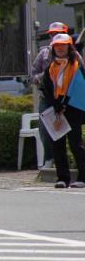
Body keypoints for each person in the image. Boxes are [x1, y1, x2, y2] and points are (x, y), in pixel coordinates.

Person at [40, 33, 85, 189]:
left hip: (74, 109)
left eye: (63, 45)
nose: (60, 48)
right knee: (57, 144)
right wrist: (56, 104)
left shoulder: (77, 66)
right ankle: (63, 178)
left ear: (69, 47)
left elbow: (79, 88)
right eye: (57, 46)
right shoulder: (51, 68)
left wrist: (65, 102)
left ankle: (83, 177)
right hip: (56, 109)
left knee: (75, 143)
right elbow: (45, 88)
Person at [32, 22, 70, 168]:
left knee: (71, 131)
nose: (55, 37)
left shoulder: (73, 55)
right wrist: (47, 75)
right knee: (45, 129)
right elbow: (33, 76)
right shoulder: (44, 53)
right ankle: (49, 159)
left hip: (67, 98)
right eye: (52, 34)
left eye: (58, 34)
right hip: (47, 98)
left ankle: (69, 162)